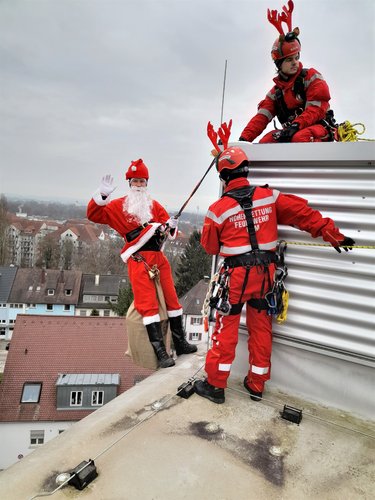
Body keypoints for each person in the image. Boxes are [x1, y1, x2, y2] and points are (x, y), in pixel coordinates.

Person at [194, 143, 355, 404]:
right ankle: (256, 385)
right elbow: (304, 215)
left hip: (236, 278)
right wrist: (333, 235)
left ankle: (215, 385)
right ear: (246, 170)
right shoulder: (270, 197)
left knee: (226, 330)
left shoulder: (217, 210)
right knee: (261, 328)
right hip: (265, 275)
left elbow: (210, 247)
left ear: (223, 177)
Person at [87, 159, 197, 368]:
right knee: (148, 305)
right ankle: (160, 352)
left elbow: (167, 230)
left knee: (173, 299)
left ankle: (180, 342)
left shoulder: (154, 205)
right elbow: (94, 215)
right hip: (139, 260)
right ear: (129, 183)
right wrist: (102, 195)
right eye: (135, 181)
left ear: (146, 183)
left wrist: (171, 226)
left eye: (142, 181)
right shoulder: (118, 206)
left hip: (158, 258)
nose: (138, 185)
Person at [239, 0, 334, 144]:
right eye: (289, 60)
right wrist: (243, 140)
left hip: (319, 128)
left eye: (296, 57)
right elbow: (261, 118)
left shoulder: (311, 77)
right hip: (294, 130)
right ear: (279, 64)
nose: (295, 62)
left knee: (299, 138)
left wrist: (296, 125)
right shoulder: (276, 93)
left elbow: (316, 109)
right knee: (266, 142)